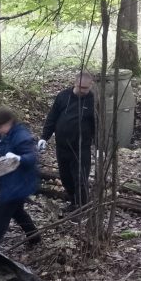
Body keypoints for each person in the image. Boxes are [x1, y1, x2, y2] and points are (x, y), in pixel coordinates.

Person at [0, 108, 40, 252]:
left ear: (9, 122)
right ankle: (35, 237)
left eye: (0, 127)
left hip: (18, 184)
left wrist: (19, 158)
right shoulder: (4, 134)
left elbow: (32, 158)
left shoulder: (22, 136)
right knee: (17, 211)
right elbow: (1, 147)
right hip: (9, 181)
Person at [38, 70, 95, 212]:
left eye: (86, 88)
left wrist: (99, 147)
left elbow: (97, 124)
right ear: (75, 84)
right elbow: (52, 117)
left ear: (91, 86)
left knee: (80, 178)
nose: (83, 91)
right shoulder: (63, 96)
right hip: (62, 146)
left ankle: (82, 207)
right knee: (65, 177)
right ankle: (73, 201)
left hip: (82, 147)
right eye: (80, 87)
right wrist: (45, 137)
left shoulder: (93, 100)